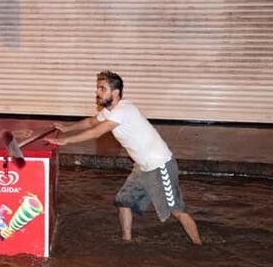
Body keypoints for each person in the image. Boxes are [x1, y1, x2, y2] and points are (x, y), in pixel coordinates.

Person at [46, 70, 202, 245]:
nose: (97, 92)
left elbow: (97, 131)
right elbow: (91, 122)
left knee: (176, 210)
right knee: (123, 201)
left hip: (160, 165)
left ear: (115, 92)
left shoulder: (124, 109)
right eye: (98, 88)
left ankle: (199, 246)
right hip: (142, 166)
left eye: (102, 89)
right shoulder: (110, 112)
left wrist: (66, 140)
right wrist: (67, 128)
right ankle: (126, 242)